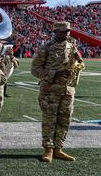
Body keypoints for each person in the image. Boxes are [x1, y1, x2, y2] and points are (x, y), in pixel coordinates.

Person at [31, 21, 83, 162]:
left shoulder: (71, 46)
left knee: (64, 120)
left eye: (68, 31)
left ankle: (59, 148)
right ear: (55, 32)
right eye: (64, 31)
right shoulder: (46, 48)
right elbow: (35, 70)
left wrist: (78, 60)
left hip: (68, 90)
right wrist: (55, 74)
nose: (67, 33)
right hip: (50, 92)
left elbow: (77, 64)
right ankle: (48, 149)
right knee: (49, 120)